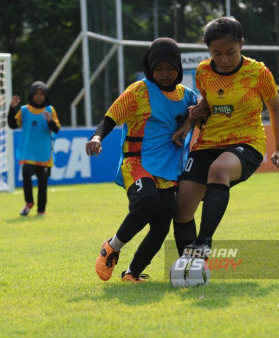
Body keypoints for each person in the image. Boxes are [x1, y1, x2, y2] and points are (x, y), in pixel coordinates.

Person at [172, 16, 279, 258]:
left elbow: (275, 108)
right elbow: (210, 102)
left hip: (246, 143)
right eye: (216, 53)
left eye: (230, 52)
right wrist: (194, 117)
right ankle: (189, 266)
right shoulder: (203, 71)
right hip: (208, 143)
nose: (223, 59)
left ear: (242, 45)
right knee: (182, 209)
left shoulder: (258, 72)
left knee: (219, 170)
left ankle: (203, 243)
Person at [86, 37, 198, 283]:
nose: (165, 74)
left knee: (160, 229)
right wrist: (97, 137)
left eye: (171, 68)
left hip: (170, 171)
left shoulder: (187, 95)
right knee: (148, 204)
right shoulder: (139, 91)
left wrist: (190, 121)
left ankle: (132, 274)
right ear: (150, 67)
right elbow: (111, 117)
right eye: (159, 68)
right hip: (137, 163)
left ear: (179, 69)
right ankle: (111, 247)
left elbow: (203, 109)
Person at [7, 81, 61, 216]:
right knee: (26, 173)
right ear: (31, 94)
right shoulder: (24, 110)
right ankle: (29, 202)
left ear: (45, 95)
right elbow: (13, 125)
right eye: (36, 93)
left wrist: (50, 121)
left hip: (44, 153)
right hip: (28, 153)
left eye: (42, 94)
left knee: (43, 183)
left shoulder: (50, 110)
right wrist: (11, 109)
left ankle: (41, 210)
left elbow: (57, 129)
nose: (38, 96)